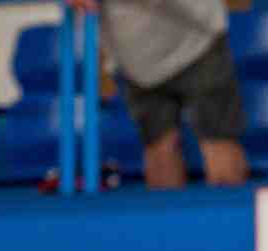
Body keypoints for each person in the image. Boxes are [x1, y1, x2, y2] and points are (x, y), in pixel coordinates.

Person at [67, 0, 248, 189]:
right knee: (159, 147)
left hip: (198, 41)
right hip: (136, 63)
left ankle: (227, 208)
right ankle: (167, 209)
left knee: (218, 140)